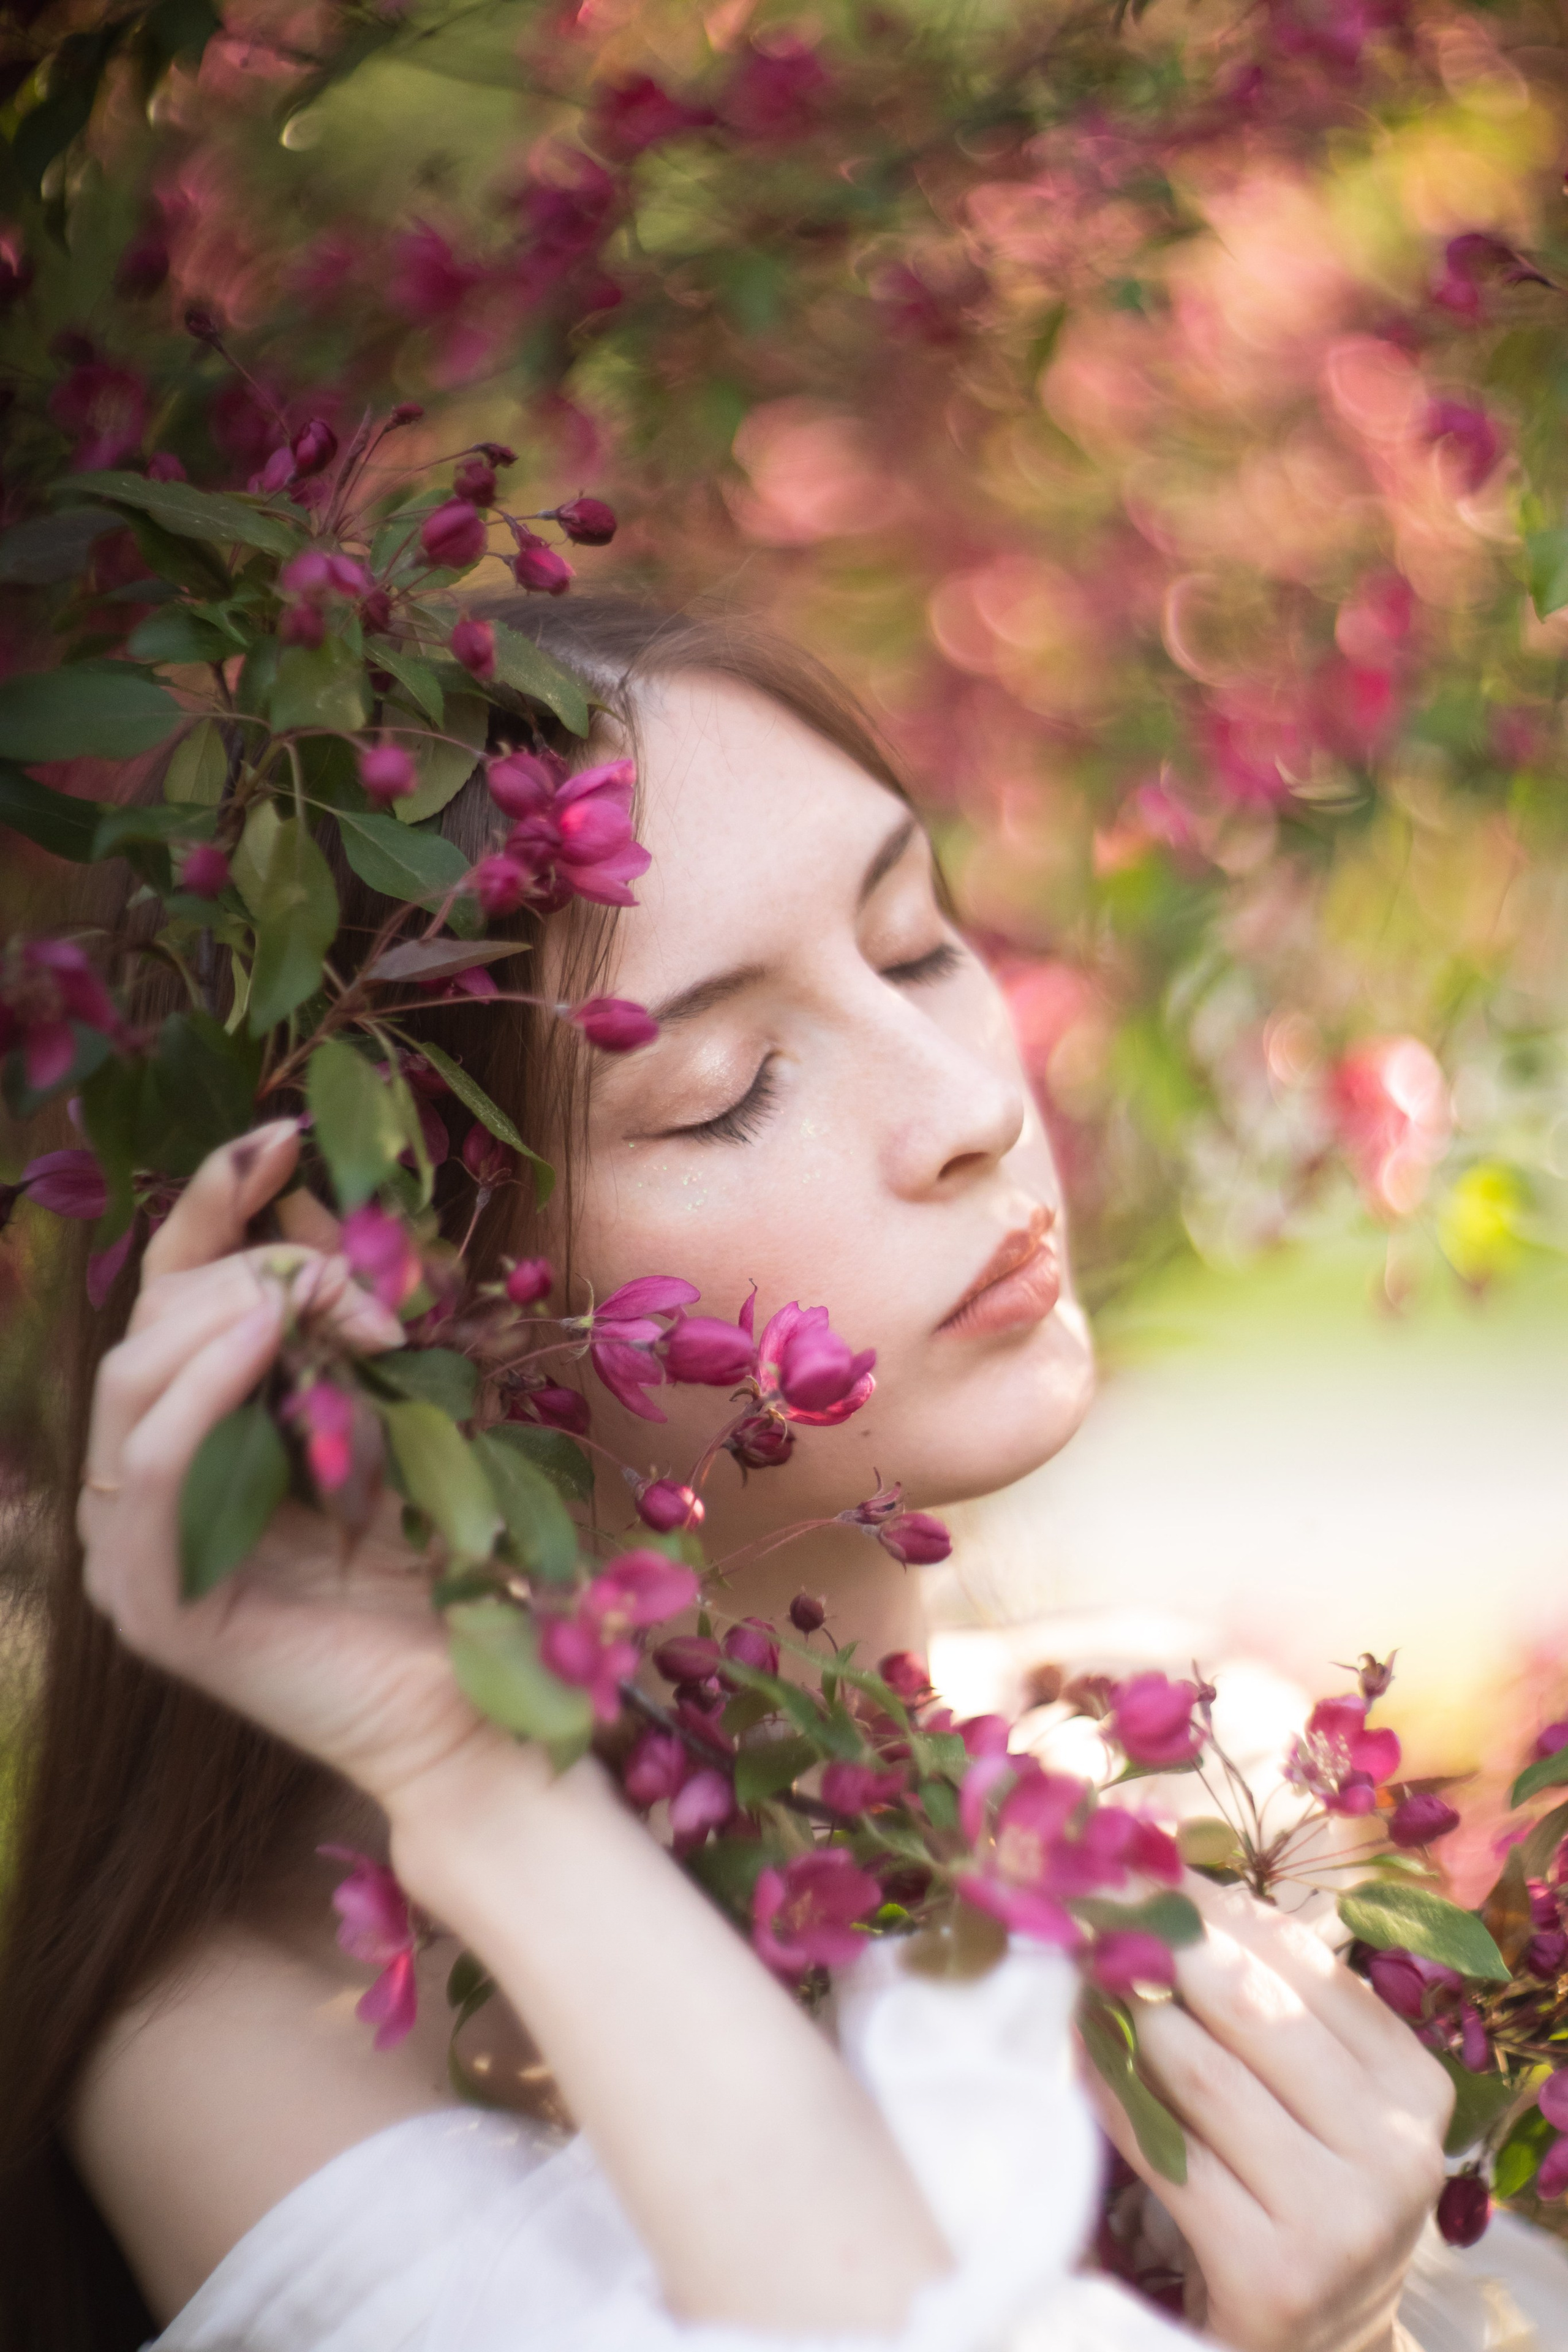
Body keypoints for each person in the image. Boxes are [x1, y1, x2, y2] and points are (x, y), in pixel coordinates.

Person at [0, 601, 1457, 2352]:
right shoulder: (246, 2061)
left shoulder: (1178, 1767)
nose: (971, 1109)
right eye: (730, 1090)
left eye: (916, 946)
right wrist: (474, 1780)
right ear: (404, 1302)